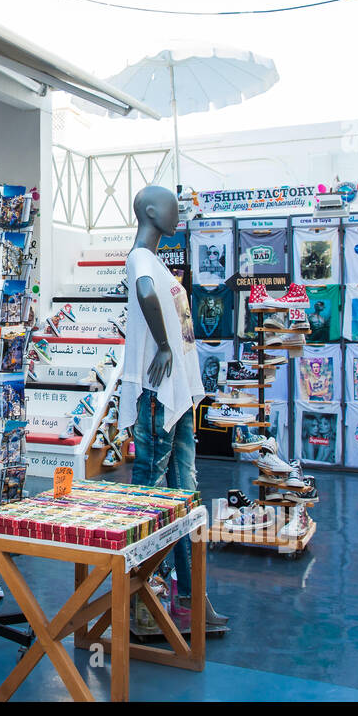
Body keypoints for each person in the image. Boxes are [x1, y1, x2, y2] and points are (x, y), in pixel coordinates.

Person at [123, 185, 224, 628]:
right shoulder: (140, 259)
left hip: (175, 394)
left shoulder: (156, 261)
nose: (178, 212)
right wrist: (163, 344)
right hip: (156, 393)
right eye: (171, 206)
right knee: (150, 495)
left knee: (185, 493)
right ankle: (141, 600)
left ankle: (189, 594)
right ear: (150, 210)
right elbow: (145, 292)